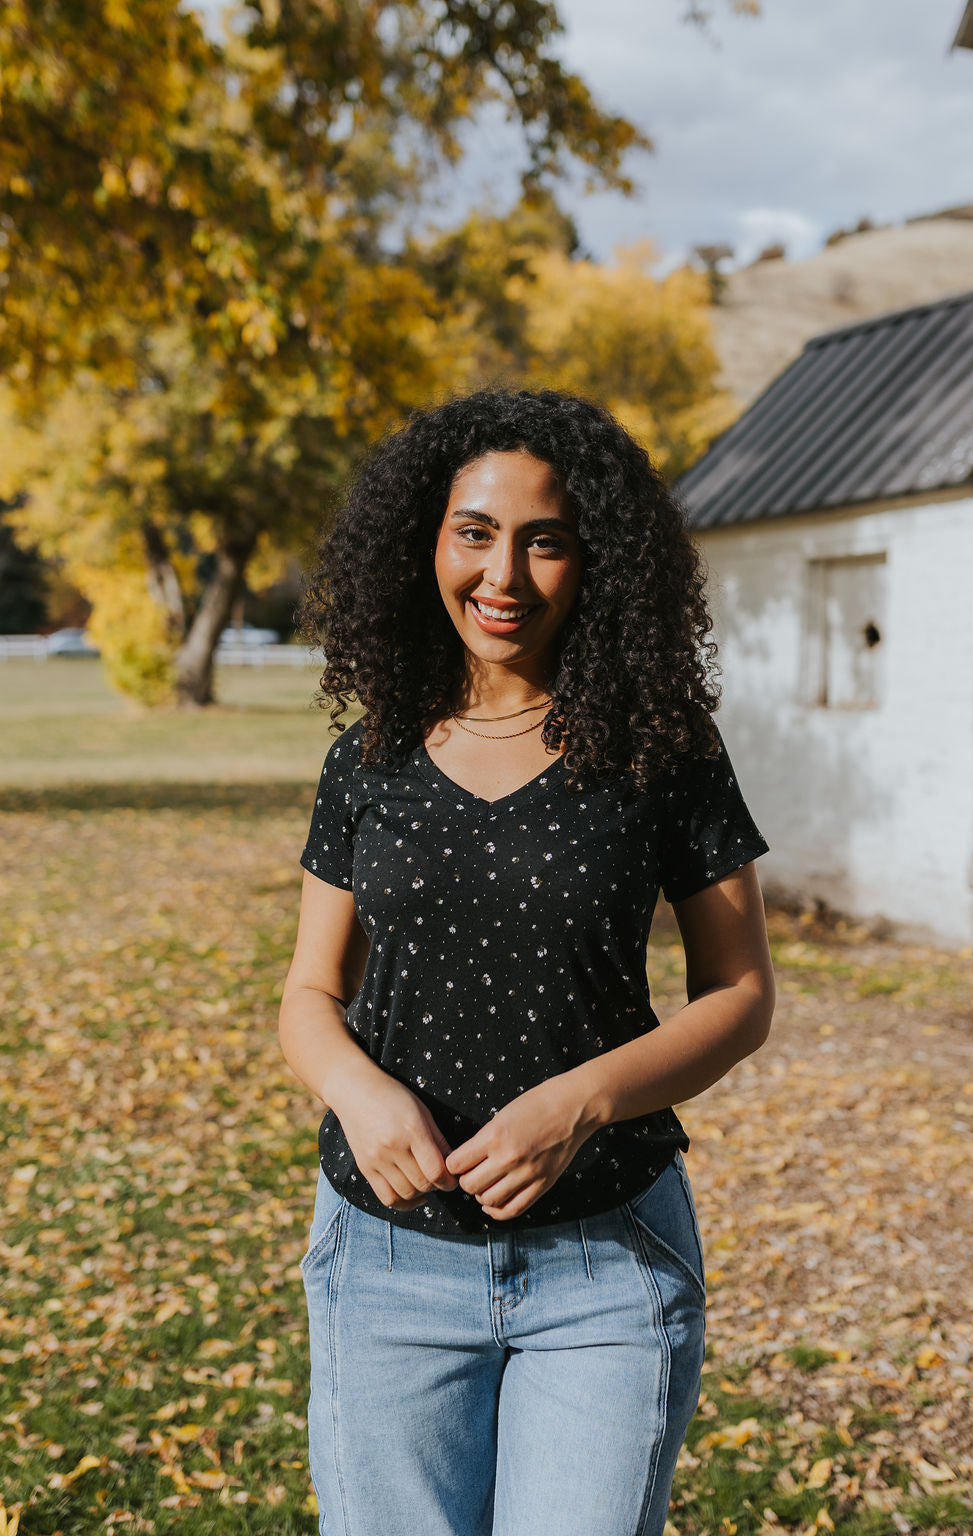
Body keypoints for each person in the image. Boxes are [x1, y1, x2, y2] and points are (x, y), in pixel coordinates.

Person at [278, 387, 775, 1536]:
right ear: (426, 543)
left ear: (594, 557)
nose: (504, 575)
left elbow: (740, 996)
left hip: (606, 1264)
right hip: (387, 1269)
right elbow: (309, 994)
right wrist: (356, 1091)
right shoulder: (369, 759)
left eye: (545, 539)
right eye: (475, 533)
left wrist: (583, 1100)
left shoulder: (665, 748)